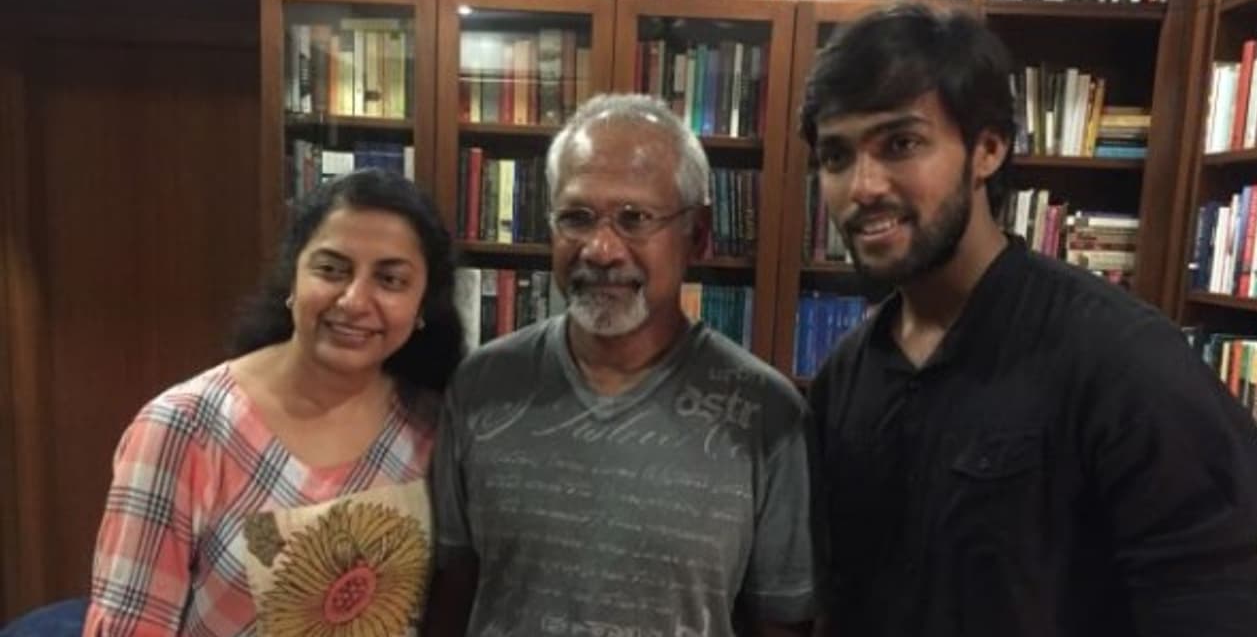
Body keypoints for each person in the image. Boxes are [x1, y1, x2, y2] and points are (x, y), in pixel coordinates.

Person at [800, 0, 1257, 637]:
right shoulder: (844, 381)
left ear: (988, 149)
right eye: (836, 156)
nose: (863, 186)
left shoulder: (1124, 362)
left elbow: (1212, 610)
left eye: (901, 143)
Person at [426, 93, 818, 637]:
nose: (601, 249)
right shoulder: (481, 386)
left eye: (634, 219)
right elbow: (454, 593)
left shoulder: (767, 415)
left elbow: (782, 623)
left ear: (698, 236)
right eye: (576, 218)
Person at [84, 168, 465, 636]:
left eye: (390, 280)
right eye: (331, 270)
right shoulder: (185, 426)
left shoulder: (434, 427)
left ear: (422, 304)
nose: (353, 300)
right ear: (292, 278)